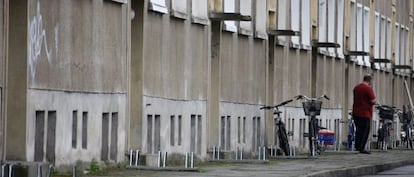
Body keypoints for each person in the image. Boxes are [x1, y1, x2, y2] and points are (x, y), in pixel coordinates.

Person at [352, 74, 376, 154]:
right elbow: (373, 101)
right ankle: (361, 148)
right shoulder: (368, 89)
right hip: (365, 113)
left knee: (358, 130)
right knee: (365, 131)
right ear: (369, 81)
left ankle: (357, 146)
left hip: (356, 112)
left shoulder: (356, 88)